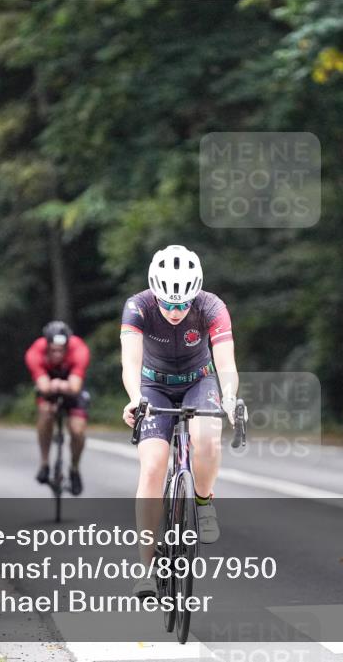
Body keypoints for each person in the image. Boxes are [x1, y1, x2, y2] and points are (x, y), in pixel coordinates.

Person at [120, 245, 239, 597]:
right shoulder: (137, 307)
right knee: (153, 467)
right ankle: (145, 567)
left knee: (207, 437)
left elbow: (226, 364)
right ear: (155, 293)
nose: (175, 311)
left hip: (199, 380)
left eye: (183, 304)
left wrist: (230, 397)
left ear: (195, 295)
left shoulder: (212, 307)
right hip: (152, 385)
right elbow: (130, 362)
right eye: (168, 304)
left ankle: (202, 501)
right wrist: (134, 398)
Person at [25, 320, 91, 494]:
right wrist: (57, 386)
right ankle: (44, 464)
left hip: (73, 391)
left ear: (68, 346)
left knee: (77, 431)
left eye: (61, 350)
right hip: (50, 391)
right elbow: (44, 387)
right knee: (45, 413)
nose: (57, 354)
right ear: (46, 345)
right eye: (53, 350)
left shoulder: (79, 349)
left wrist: (58, 384)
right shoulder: (35, 351)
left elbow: (75, 387)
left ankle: (74, 469)